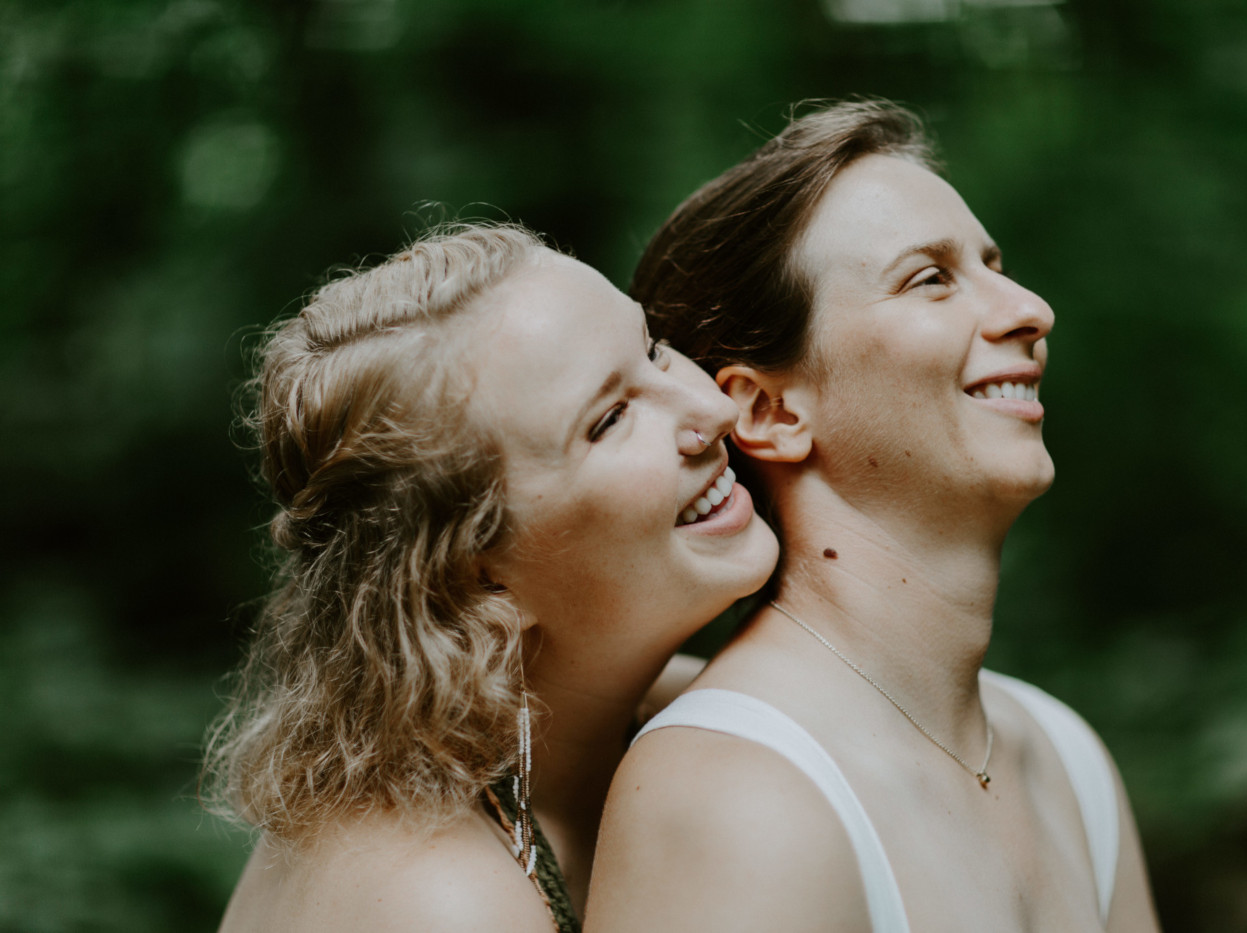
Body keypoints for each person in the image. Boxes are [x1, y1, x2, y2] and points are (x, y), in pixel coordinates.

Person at [586, 100, 1160, 931]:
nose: (1031, 309)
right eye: (929, 278)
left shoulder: (1065, 757)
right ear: (770, 412)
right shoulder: (732, 793)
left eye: (995, 265)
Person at [203, 223, 778, 932]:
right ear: (476, 586)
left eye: (654, 347)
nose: (714, 408)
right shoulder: (442, 899)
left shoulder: (644, 716)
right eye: (611, 419)